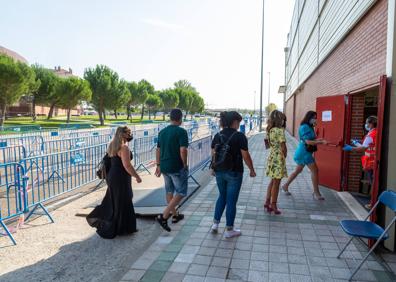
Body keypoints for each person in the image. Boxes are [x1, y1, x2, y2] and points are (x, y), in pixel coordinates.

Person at [86, 126, 142, 239]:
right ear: (124, 134)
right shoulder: (123, 148)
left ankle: (121, 226)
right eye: (129, 133)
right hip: (120, 176)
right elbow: (127, 165)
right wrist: (137, 176)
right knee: (124, 200)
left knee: (116, 200)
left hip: (112, 176)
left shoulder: (112, 145)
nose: (130, 134)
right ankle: (123, 228)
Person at [210, 111, 256, 238]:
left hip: (219, 171)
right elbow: (245, 156)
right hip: (234, 172)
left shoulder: (217, 135)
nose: (239, 124)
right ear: (234, 122)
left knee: (222, 196)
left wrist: (213, 168)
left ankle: (215, 224)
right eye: (239, 122)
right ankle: (229, 230)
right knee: (231, 201)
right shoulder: (239, 136)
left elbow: (213, 153)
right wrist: (252, 169)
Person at [155, 108, 189, 232]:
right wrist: (184, 164)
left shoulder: (162, 132)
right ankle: (164, 216)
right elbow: (183, 150)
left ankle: (175, 215)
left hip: (164, 166)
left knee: (169, 191)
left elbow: (158, 150)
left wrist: (158, 165)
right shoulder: (181, 132)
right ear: (180, 118)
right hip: (176, 166)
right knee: (181, 192)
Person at [281, 111, 327, 200]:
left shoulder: (309, 127)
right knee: (315, 171)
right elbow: (308, 141)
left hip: (305, 152)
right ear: (309, 118)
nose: (315, 119)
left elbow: (311, 138)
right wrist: (320, 142)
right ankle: (316, 192)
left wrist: (318, 139)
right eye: (314, 117)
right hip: (304, 152)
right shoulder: (304, 127)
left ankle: (285, 186)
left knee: (297, 171)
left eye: (316, 118)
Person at [343, 116, 377, 208]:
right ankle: (372, 201)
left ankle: (372, 203)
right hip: (372, 161)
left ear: (370, 124)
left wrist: (351, 148)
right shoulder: (374, 132)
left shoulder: (371, 134)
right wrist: (357, 142)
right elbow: (367, 144)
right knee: (373, 182)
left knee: (372, 183)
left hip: (371, 162)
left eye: (367, 123)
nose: (365, 124)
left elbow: (363, 147)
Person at [264, 110, 287, 215]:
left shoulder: (270, 130)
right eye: (282, 119)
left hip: (272, 157)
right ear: (279, 120)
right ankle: (273, 204)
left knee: (272, 181)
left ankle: (267, 202)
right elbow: (283, 147)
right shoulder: (279, 130)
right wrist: (284, 156)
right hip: (278, 158)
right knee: (276, 183)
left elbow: (267, 145)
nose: (283, 121)